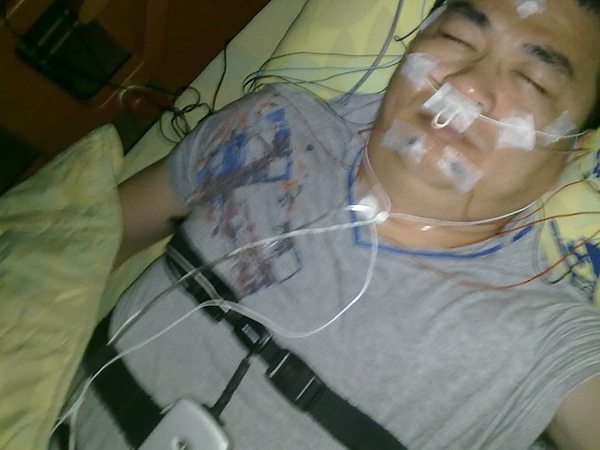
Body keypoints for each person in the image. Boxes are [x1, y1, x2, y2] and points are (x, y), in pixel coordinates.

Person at [65, 0, 600, 448]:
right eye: (458, 37)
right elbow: (80, 244)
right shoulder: (269, 131)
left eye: (532, 80)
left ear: (573, 151)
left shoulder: (543, 340)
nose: (467, 86)